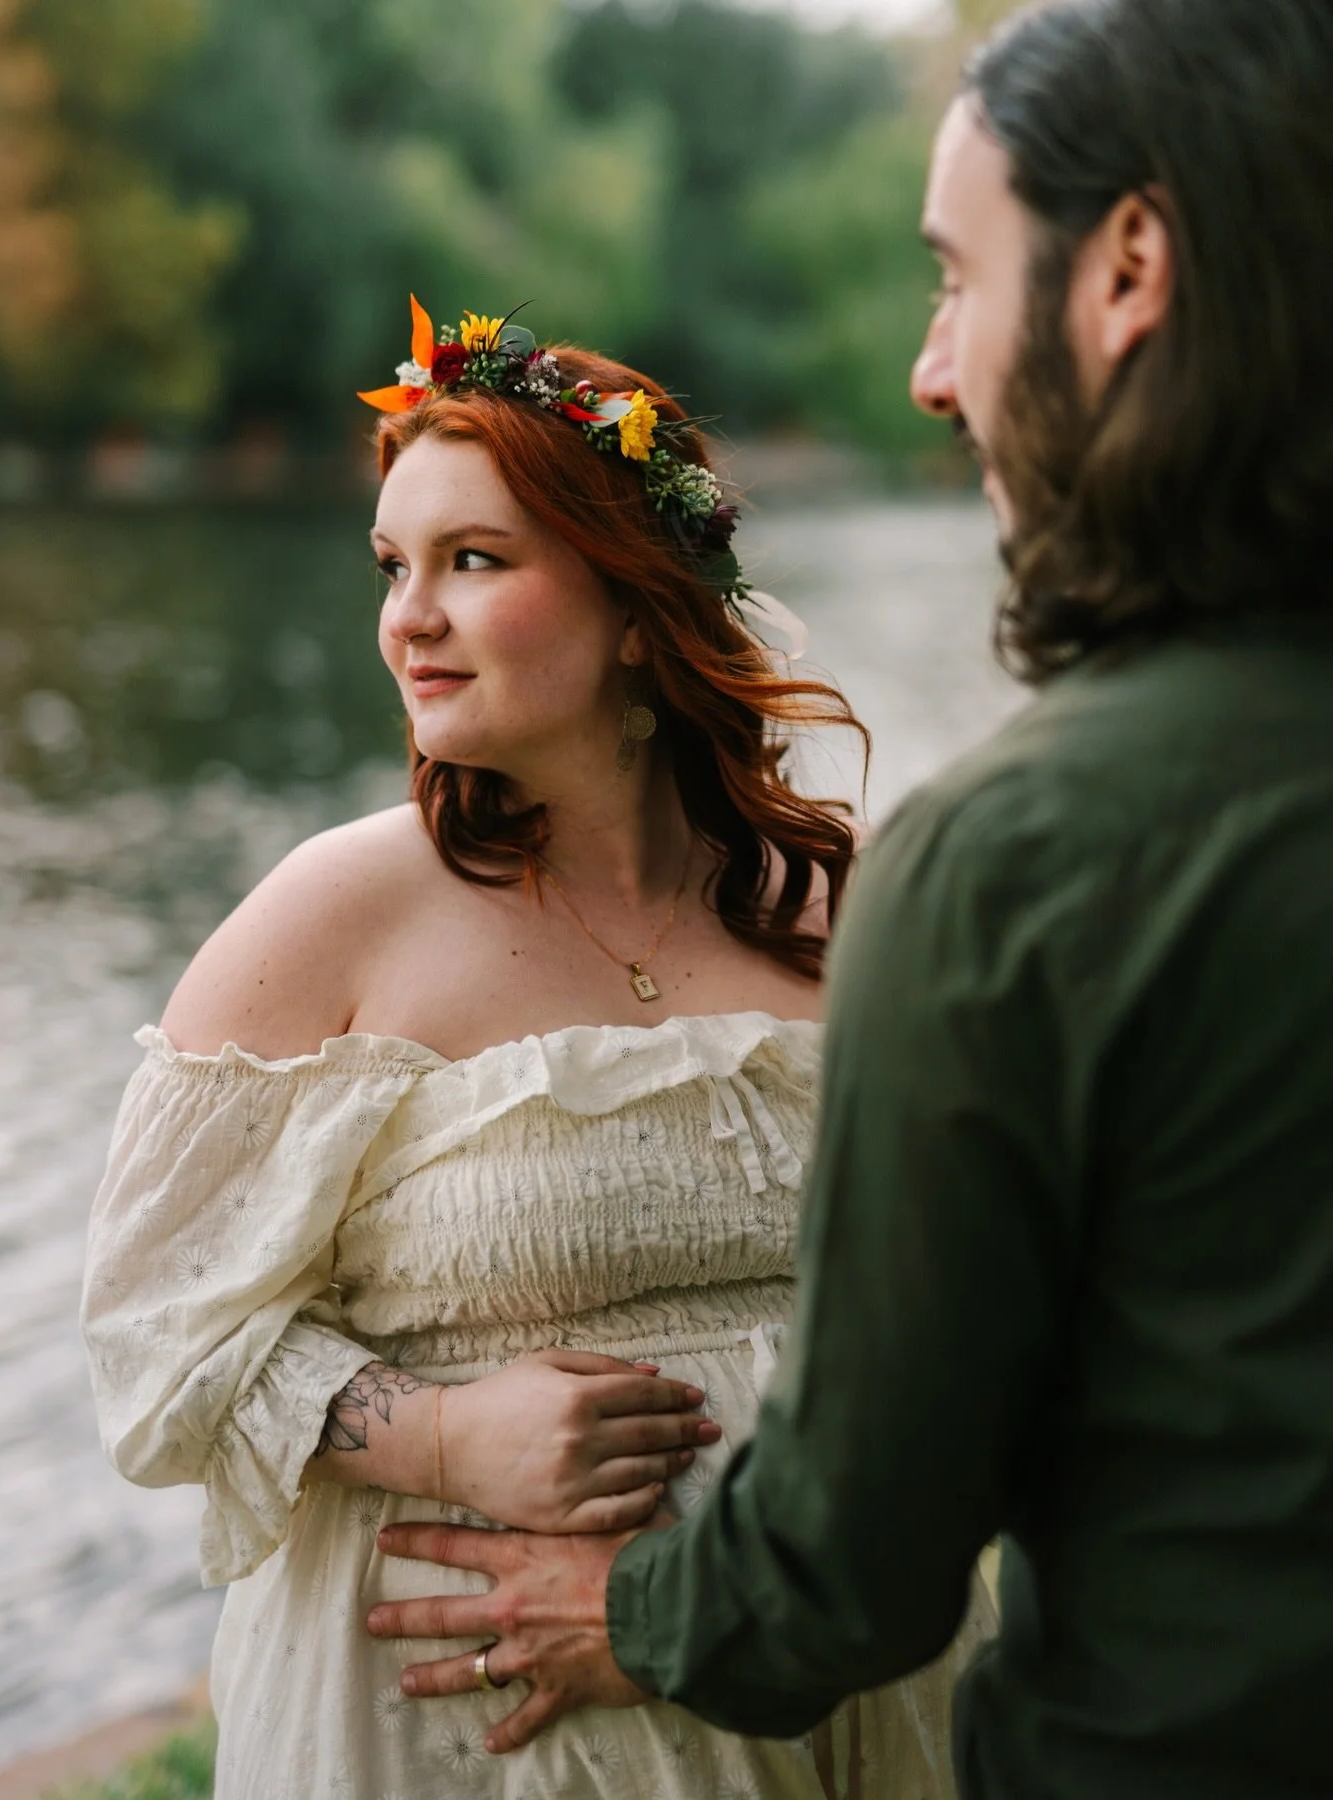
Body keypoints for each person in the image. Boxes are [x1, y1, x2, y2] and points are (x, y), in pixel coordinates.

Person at [362, 3, 1333, 1797]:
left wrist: (635, 1610)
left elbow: (856, 1554)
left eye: (957, 278)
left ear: (1131, 270)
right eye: (394, 566)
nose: (931, 372)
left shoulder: (1020, 865)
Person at [81, 303, 993, 1797]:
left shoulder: (855, 906)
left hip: (832, 1687)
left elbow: (978, 1303)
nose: (407, 619)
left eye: (474, 561)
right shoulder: (332, 916)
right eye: (393, 566)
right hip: (465, 1722)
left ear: (637, 607)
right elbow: (155, 1336)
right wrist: (437, 1436)